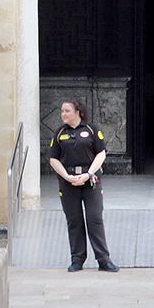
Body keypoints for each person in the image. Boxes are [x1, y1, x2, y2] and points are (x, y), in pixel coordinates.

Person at [48, 100, 119, 272]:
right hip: (68, 181)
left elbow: (101, 153)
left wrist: (88, 174)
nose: (63, 114)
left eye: (67, 110)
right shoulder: (59, 133)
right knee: (74, 220)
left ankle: (103, 260)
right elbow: (53, 158)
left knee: (94, 218)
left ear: (78, 112)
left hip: (90, 179)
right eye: (62, 111)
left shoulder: (91, 129)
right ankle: (77, 259)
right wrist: (67, 176)